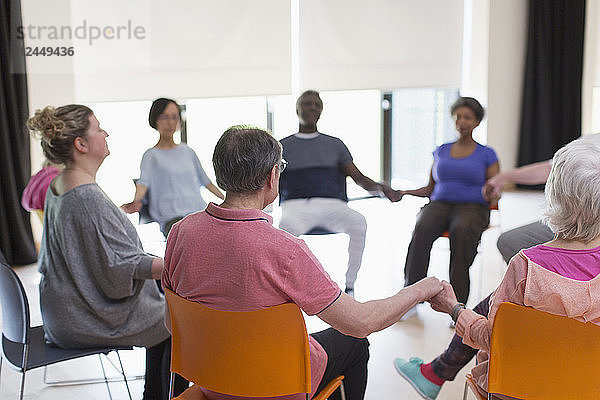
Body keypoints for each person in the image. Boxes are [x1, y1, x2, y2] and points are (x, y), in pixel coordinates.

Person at [162, 125, 444, 400]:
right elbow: (360, 322)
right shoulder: (285, 250)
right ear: (272, 176)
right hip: (278, 387)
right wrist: (422, 289)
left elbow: (172, 325)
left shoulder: (180, 233)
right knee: (355, 342)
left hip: (213, 382)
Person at [395, 137, 600, 399]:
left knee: (506, 303)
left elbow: (495, 340)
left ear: (554, 192)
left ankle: (436, 372)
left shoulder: (526, 266)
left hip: (520, 388)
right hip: (587, 388)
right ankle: (435, 372)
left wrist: (453, 308)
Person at [28, 105, 188, 400]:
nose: (106, 134)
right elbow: (118, 267)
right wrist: (179, 265)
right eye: (98, 129)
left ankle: (155, 394)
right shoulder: (87, 197)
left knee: (166, 298)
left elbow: (102, 255)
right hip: (82, 317)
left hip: (64, 310)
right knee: (182, 318)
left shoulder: (60, 183)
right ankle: (166, 397)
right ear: (81, 144)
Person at [278, 90, 396, 295]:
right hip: (296, 208)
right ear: (297, 109)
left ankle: (349, 286)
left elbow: (359, 178)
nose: (312, 107)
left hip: (333, 207)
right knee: (285, 228)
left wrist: (381, 188)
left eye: (317, 104)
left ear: (321, 110)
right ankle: (290, 289)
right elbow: (270, 180)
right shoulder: (282, 146)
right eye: (307, 103)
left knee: (358, 222)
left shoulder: (335, 144)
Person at [392, 97, 499, 306]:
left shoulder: (487, 154)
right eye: (458, 117)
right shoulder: (441, 150)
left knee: (461, 231)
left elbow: (495, 188)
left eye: (467, 117)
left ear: (477, 122)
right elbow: (429, 188)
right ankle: (411, 297)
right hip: (440, 204)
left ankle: (456, 303)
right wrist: (405, 192)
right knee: (422, 227)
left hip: (473, 207)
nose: (462, 121)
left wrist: (493, 193)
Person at [122, 98, 224, 236]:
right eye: (165, 117)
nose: (170, 122)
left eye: (174, 117)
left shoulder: (188, 152)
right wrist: (136, 202)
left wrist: (230, 202)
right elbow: (143, 184)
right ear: (155, 119)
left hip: (199, 214)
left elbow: (206, 182)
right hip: (172, 220)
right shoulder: (151, 155)